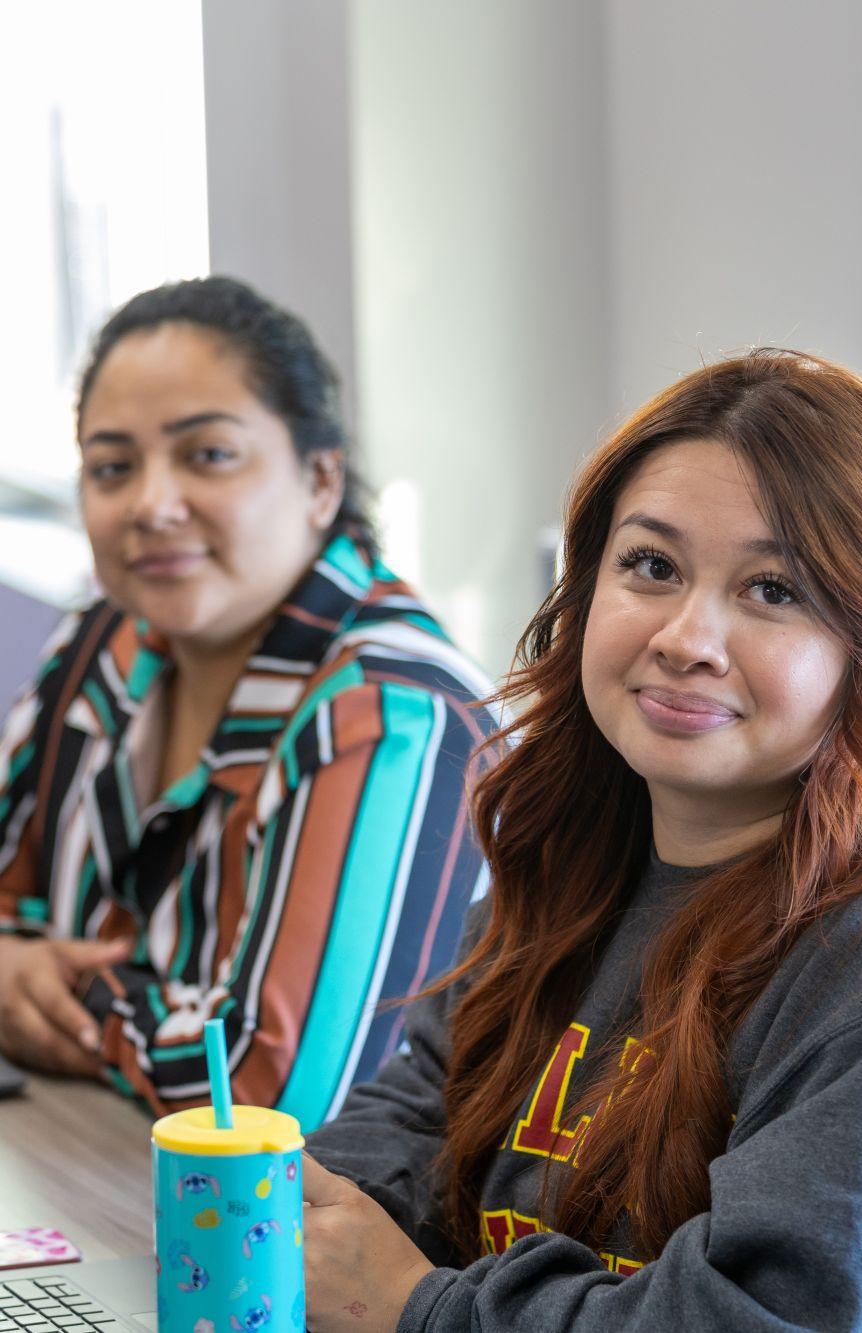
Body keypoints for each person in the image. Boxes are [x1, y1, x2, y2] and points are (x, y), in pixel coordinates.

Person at [302, 349, 862, 1331]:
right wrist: (290, 1209)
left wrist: (419, 1306)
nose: (684, 635)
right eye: (651, 566)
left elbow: (763, 1317)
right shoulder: (578, 837)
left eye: (773, 590)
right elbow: (421, 1109)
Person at [0, 276, 496, 1131]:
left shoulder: (393, 713)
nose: (152, 504)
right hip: (82, 1175)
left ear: (320, 480)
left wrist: (69, 994)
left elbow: (275, 1095)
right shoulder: (99, 641)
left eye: (208, 455)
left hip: (302, 1243)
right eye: (112, 467)